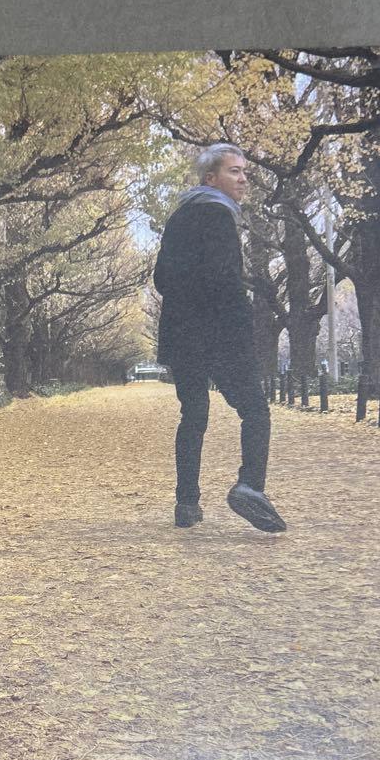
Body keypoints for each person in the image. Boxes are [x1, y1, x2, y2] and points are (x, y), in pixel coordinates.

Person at [153, 143, 286, 533]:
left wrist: (185, 306)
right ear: (210, 178)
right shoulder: (219, 215)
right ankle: (250, 486)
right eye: (234, 171)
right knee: (255, 410)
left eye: (245, 172)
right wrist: (242, 327)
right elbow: (225, 280)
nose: (243, 179)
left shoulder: (178, 218)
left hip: (182, 335)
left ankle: (186, 503)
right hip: (220, 334)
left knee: (193, 415)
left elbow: (161, 279)